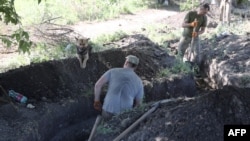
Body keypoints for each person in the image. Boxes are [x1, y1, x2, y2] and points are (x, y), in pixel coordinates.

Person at [94, 55, 144, 121]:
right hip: (124, 114)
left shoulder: (112, 71)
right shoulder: (139, 81)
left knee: (105, 128)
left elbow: (98, 85)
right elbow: (138, 104)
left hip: (108, 109)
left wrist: (97, 101)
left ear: (126, 62)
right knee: (119, 130)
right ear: (135, 67)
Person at [177, 3, 210, 74]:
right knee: (180, 52)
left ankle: (195, 71)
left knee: (197, 55)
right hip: (185, 36)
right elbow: (183, 25)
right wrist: (191, 24)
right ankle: (178, 69)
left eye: (206, 13)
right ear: (201, 8)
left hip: (195, 37)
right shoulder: (190, 14)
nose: (205, 14)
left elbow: (203, 30)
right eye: (204, 12)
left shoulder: (204, 18)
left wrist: (197, 33)